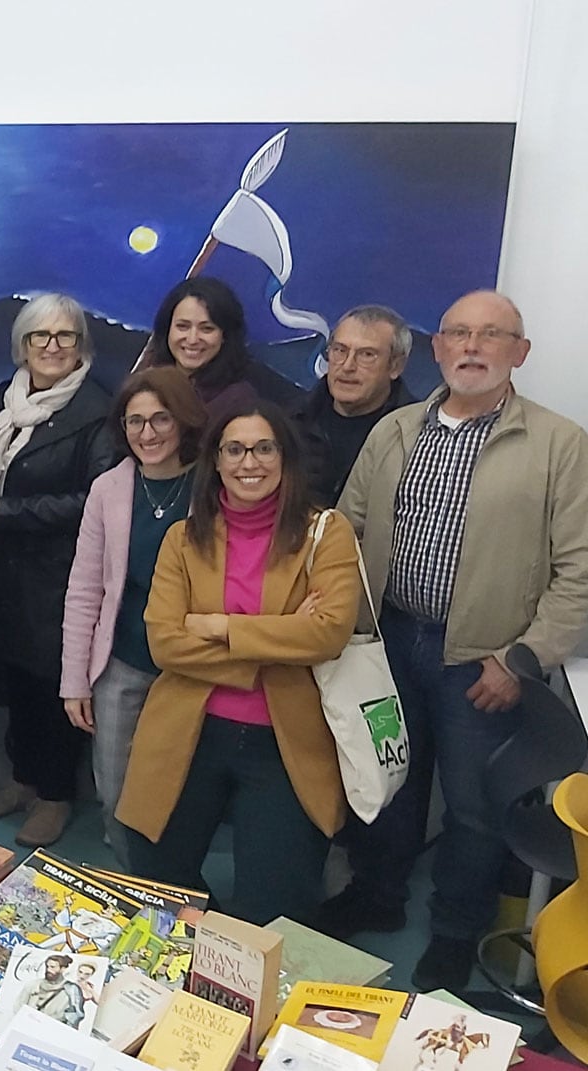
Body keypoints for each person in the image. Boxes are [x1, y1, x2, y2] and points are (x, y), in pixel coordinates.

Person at [324, 290, 588, 991]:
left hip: (485, 662)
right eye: (459, 333)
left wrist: (523, 659)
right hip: (386, 645)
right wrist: (342, 631)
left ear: (518, 354)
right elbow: (344, 531)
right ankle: (377, 896)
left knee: (474, 806)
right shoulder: (397, 430)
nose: (473, 346)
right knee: (387, 781)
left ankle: (452, 931)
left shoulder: (561, 445)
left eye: (493, 335)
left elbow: (580, 569)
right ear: (437, 348)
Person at [117, 402, 360, 925]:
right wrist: (275, 645)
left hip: (285, 739)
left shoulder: (326, 533)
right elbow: (165, 643)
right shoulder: (183, 539)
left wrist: (222, 626)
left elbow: (329, 631)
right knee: (154, 875)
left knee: (275, 905)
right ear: (217, 461)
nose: (250, 461)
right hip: (189, 727)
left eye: (264, 447)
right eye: (235, 449)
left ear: (285, 457)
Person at [0, 293, 117, 848]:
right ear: (22, 346)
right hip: (5, 581)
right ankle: (23, 780)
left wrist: (12, 512)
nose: (52, 348)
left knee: (57, 698)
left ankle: (55, 797)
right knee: (20, 690)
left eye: (65, 337)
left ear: (81, 345)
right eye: (39, 337)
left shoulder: (97, 414)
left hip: (60, 585)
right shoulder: (4, 406)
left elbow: (98, 501)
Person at [59, 367, 207, 866]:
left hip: (194, 671)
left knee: (184, 797)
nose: (147, 433)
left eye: (160, 419)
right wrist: (74, 681)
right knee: (116, 794)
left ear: (184, 420)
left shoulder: (214, 484)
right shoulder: (109, 488)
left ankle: (182, 895)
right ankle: (133, 891)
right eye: (134, 421)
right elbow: (84, 589)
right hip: (121, 663)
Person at [293, 305, 415, 507]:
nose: (348, 366)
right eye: (340, 350)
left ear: (396, 366)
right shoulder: (291, 420)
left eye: (367, 355)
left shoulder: (415, 437)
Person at [142, 277, 299, 417]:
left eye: (207, 328)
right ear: (167, 329)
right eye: (183, 326)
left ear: (225, 335)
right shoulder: (146, 385)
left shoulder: (241, 397)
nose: (192, 339)